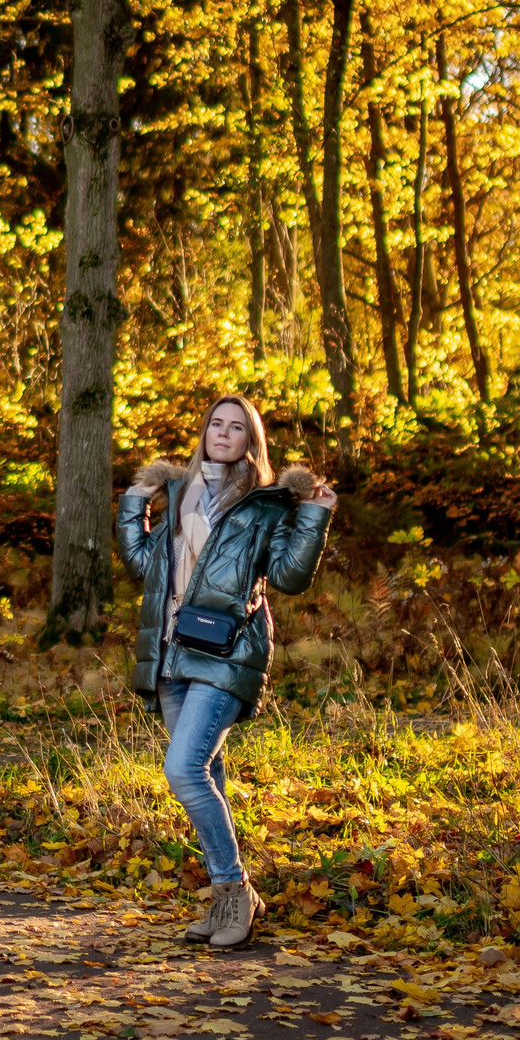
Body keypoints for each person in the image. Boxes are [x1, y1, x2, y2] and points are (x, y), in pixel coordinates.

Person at [116, 394, 336, 950]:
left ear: (250, 442)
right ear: (204, 432)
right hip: (172, 653)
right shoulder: (179, 492)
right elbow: (147, 567)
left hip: (227, 651)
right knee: (207, 776)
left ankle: (236, 890)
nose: (223, 432)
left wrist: (313, 515)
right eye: (217, 422)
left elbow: (288, 577)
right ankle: (224, 903)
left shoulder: (266, 504)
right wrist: (133, 508)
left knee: (183, 769)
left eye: (236, 427)